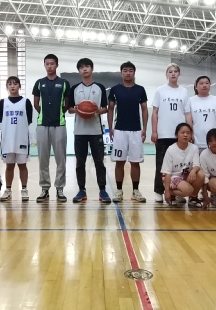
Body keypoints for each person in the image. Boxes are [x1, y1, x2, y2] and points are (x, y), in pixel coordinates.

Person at [67, 58, 111, 204]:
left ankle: (102, 190)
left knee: (99, 162)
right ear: (79, 71)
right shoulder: (74, 88)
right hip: (79, 132)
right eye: (81, 67)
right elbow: (70, 109)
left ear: (92, 69)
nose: (84, 69)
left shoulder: (100, 87)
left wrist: (95, 110)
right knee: (80, 163)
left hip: (96, 131)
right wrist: (78, 110)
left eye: (87, 66)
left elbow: (105, 108)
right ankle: (81, 190)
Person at [107, 61, 148, 203]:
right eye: (125, 70)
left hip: (136, 130)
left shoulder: (140, 90)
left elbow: (144, 109)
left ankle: (135, 191)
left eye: (131, 70)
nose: (128, 73)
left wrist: (144, 128)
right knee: (119, 162)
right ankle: (119, 191)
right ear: (121, 73)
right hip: (119, 130)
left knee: (135, 162)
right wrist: (111, 127)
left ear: (134, 73)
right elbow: (110, 109)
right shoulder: (115, 89)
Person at [32, 54, 70, 203]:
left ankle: (60, 188)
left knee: (61, 159)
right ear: (44, 65)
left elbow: (67, 103)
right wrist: (44, 113)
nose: (49, 66)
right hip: (42, 125)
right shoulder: (39, 83)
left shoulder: (64, 83)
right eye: (47, 64)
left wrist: (58, 113)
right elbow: (36, 103)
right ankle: (45, 188)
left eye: (52, 63)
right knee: (43, 159)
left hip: (59, 125)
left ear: (57, 65)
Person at [151, 63, 188, 204]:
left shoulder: (183, 91)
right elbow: (155, 112)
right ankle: (158, 191)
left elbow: (187, 113)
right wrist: (154, 131)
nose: (173, 73)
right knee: (161, 164)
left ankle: (177, 192)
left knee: (179, 166)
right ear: (166, 74)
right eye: (170, 71)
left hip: (179, 135)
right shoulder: (160, 91)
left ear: (179, 74)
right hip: (163, 134)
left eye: (175, 71)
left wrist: (189, 131)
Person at [0, 76, 33, 202]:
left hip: (21, 139)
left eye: (15, 83)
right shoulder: (3, 102)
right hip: (7, 140)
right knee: (9, 166)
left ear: (20, 86)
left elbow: (29, 120)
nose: (12, 86)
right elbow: (2, 121)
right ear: (7, 86)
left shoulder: (26, 102)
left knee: (22, 165)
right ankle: (8, 190)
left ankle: (24, 189)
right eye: (10, 84)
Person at [160, 123, 205, 206]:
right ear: (176, 134)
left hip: (186, 176)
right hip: (173, 177)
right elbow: (167, 173)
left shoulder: (194, 148)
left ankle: (193, 198)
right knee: (188, 190)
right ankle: (172, 194)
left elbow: (197, 165)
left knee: (200, 174)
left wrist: (193, 171)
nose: (185, 135)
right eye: (182, 132)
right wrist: (167, 191)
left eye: (188, 133)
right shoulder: (171, 149)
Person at [187, 75, 216, 152]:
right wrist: (190, 134)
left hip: (214, 141)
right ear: (196, 87)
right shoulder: (190, 101)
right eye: (201, 83)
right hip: (197, 140)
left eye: (207, 83)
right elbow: (189, 120)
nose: (204, 85)